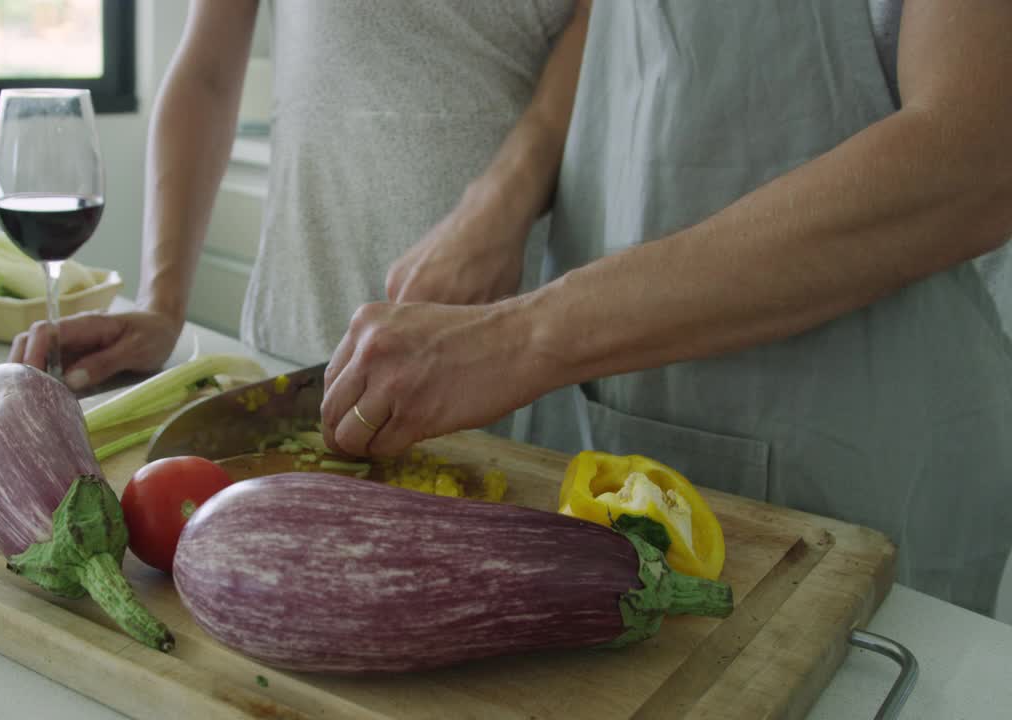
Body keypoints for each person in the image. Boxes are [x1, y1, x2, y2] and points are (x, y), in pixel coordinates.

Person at [320, 0, 1012, 617]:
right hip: (595, 413)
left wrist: (523, 337)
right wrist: (503, 192)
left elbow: (978, 154)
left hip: (856, 453)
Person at [9, 0, 591, 452]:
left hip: (509, 356)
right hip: (296, 343)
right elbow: (207, 72)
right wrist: (162, 303)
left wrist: (499, 211)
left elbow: (589, 69)